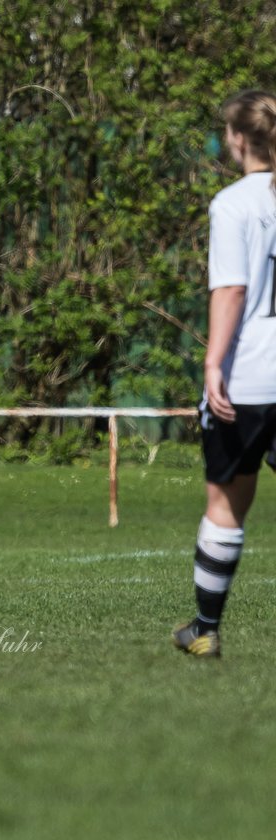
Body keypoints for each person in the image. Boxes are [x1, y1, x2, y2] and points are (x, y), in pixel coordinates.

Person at [172, 90, 276, 658]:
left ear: (237, 139)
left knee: (226, 503)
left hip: (252, 379)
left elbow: (231, 289)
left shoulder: (233, 203)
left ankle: (205, 630)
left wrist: (212, 362)